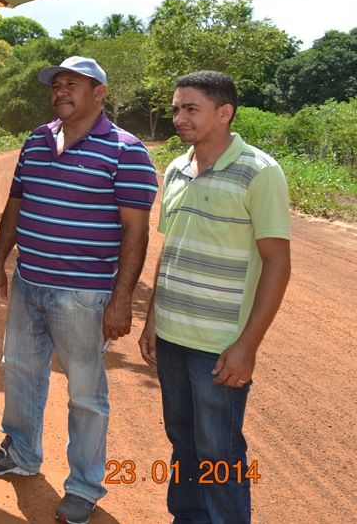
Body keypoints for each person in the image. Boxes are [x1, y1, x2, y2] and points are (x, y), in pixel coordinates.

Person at [0, 56, 158, 524]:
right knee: (18, 369)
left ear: (100, 92)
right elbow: (16, 205)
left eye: (73, 84)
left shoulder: (126, 150)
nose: (61, 91)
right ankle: (21, 453)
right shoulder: (36, 139)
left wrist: (121, 300)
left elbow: (136, 232)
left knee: (85, 393)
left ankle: (84, 485)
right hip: (29, 281)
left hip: (85, 294)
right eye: (57, 85)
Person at [139, 71, 291, 524]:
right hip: (171, 335)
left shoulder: (260, 173)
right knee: (182, 439)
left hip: (220, 345)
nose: (179, 118)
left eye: (190, 109)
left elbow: (278, 264)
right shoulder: (176, 169)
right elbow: (172, 250)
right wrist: (152, 320)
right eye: (175, 108)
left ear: (224, 113)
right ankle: (186, 517)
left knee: (219, 450)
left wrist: (247, 346)